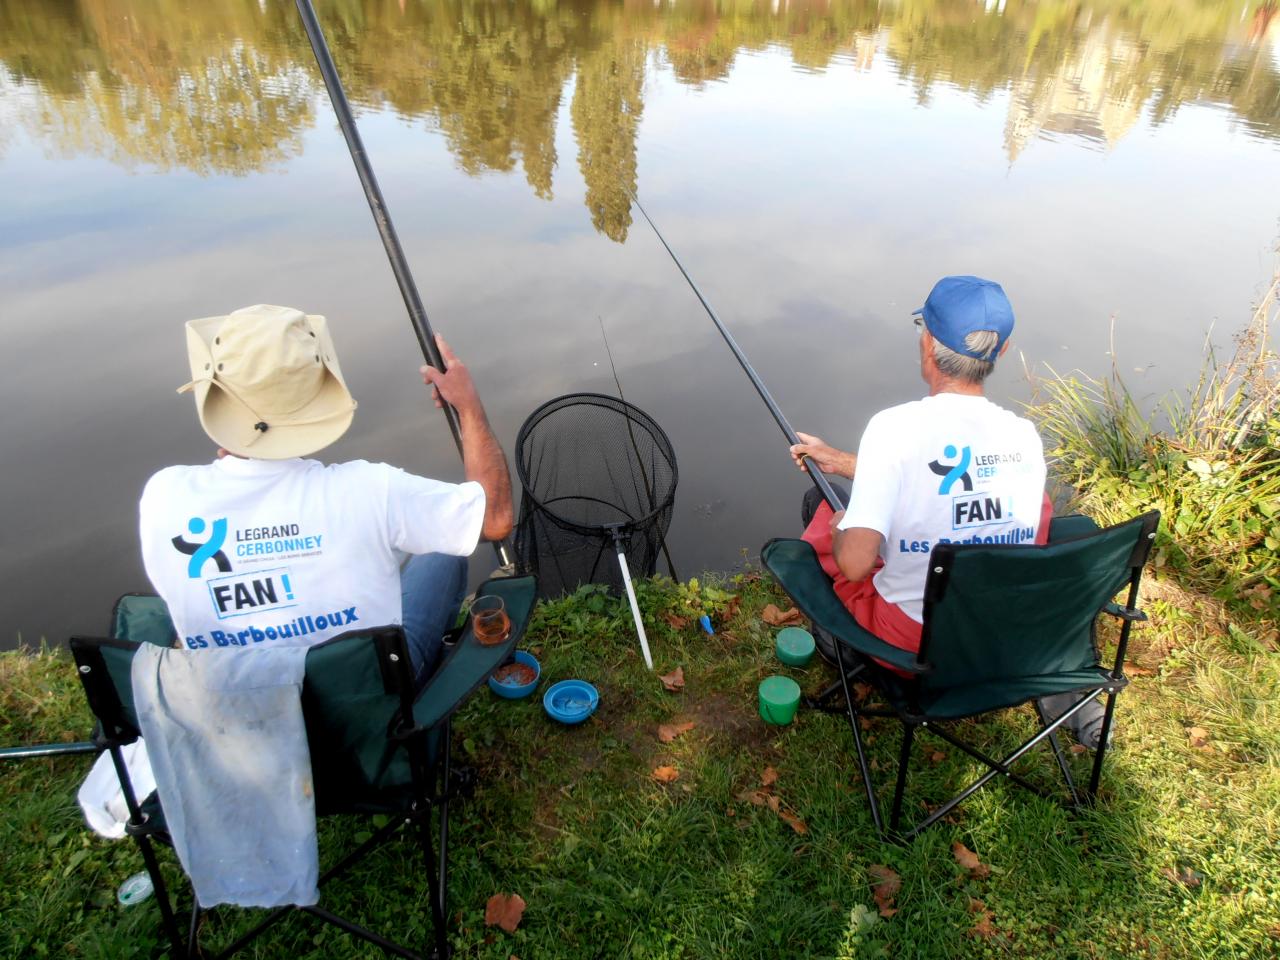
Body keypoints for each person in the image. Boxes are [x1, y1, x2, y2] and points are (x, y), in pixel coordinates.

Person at [790, 276, 1105, 747]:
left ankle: (847, 647)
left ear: (928, 341)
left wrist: (841, 527)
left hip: (916, 646)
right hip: (998, 631)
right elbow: (953, 485)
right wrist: (842, 462)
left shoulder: (894, 427)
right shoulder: (1022, 435)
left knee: (822, 512)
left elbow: (855, 563)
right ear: (999, 352)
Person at [139, 303, 513, 686]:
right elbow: (495, 519)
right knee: (443, 553)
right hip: (364, 707)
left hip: (235, 706)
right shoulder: (370, 491)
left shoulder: (163, 496)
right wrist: (468, 407)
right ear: (317, 390)